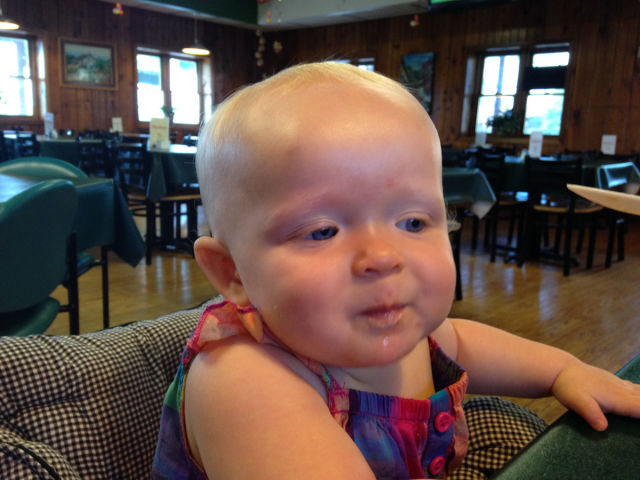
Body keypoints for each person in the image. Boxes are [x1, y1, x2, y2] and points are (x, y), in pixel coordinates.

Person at [152, 62, 640, 480]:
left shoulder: (395, 327)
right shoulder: (245, 381)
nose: (383, 256)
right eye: (322, 231)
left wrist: (564, 370)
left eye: (412, 221)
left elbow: (463, 342)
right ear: (232, 271)